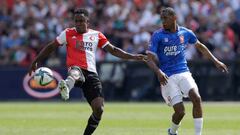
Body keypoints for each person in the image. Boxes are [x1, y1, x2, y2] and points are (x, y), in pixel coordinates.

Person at [28, 8, 146, 135]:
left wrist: (133, 56)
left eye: (81, 21)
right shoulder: (67, 33)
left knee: (99, 109)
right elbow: (51, 46)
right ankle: (67, 86)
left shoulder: (97, 35)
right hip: (75, 69)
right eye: (76, 21)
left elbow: (113, 50)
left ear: (87, 21)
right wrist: (36, 60)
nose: (78, 23)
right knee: (75, 72)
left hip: (91, 74)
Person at [146, 7, 228, 135]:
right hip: (168, 76)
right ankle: (172, 132)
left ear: (174, 18)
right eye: (161, 19)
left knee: (196, 98)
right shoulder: (157, 35)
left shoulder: (186, 33)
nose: (163, 22)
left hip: (183, 72)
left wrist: (216, 61)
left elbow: (200, 46)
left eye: (165, 18)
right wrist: (158, 72)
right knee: (180, 111)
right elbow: (148, 58)